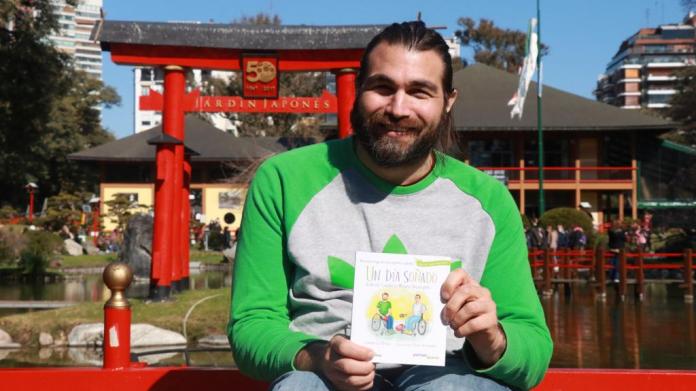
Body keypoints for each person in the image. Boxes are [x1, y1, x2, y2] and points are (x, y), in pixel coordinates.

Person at [228, 21, 552, 391]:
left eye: (420, 92)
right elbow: (251, 324)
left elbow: (535, 350)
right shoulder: (284, 180)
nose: (399, 108)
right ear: (357, 91)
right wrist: (316, 357)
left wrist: (492, 340)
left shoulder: (488, 201)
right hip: (322, 374)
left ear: (448, 102)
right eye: (383, 87)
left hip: (449, 371)